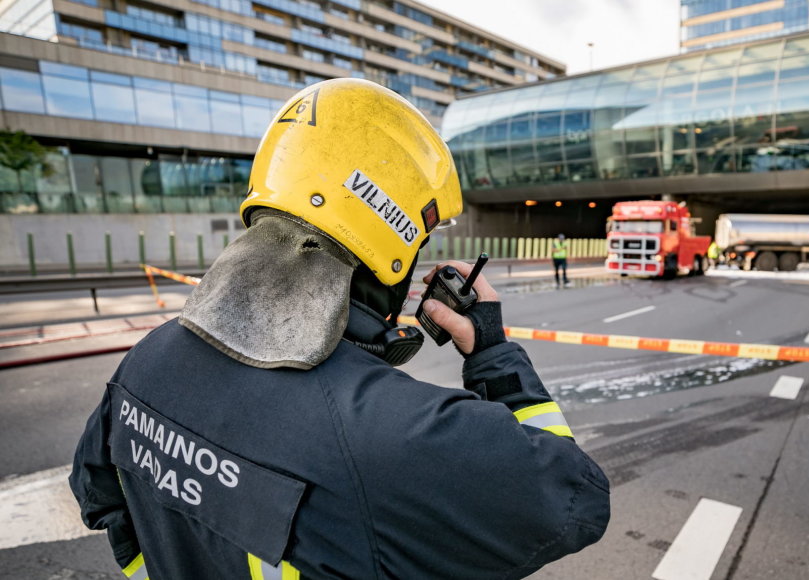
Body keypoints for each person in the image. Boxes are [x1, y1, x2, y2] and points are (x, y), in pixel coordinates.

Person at [69, 79, 609, 580]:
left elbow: (98, 494)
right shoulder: (390, 431)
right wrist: (493, 353)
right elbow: (574, 499)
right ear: (389, 238)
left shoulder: (149, 358)